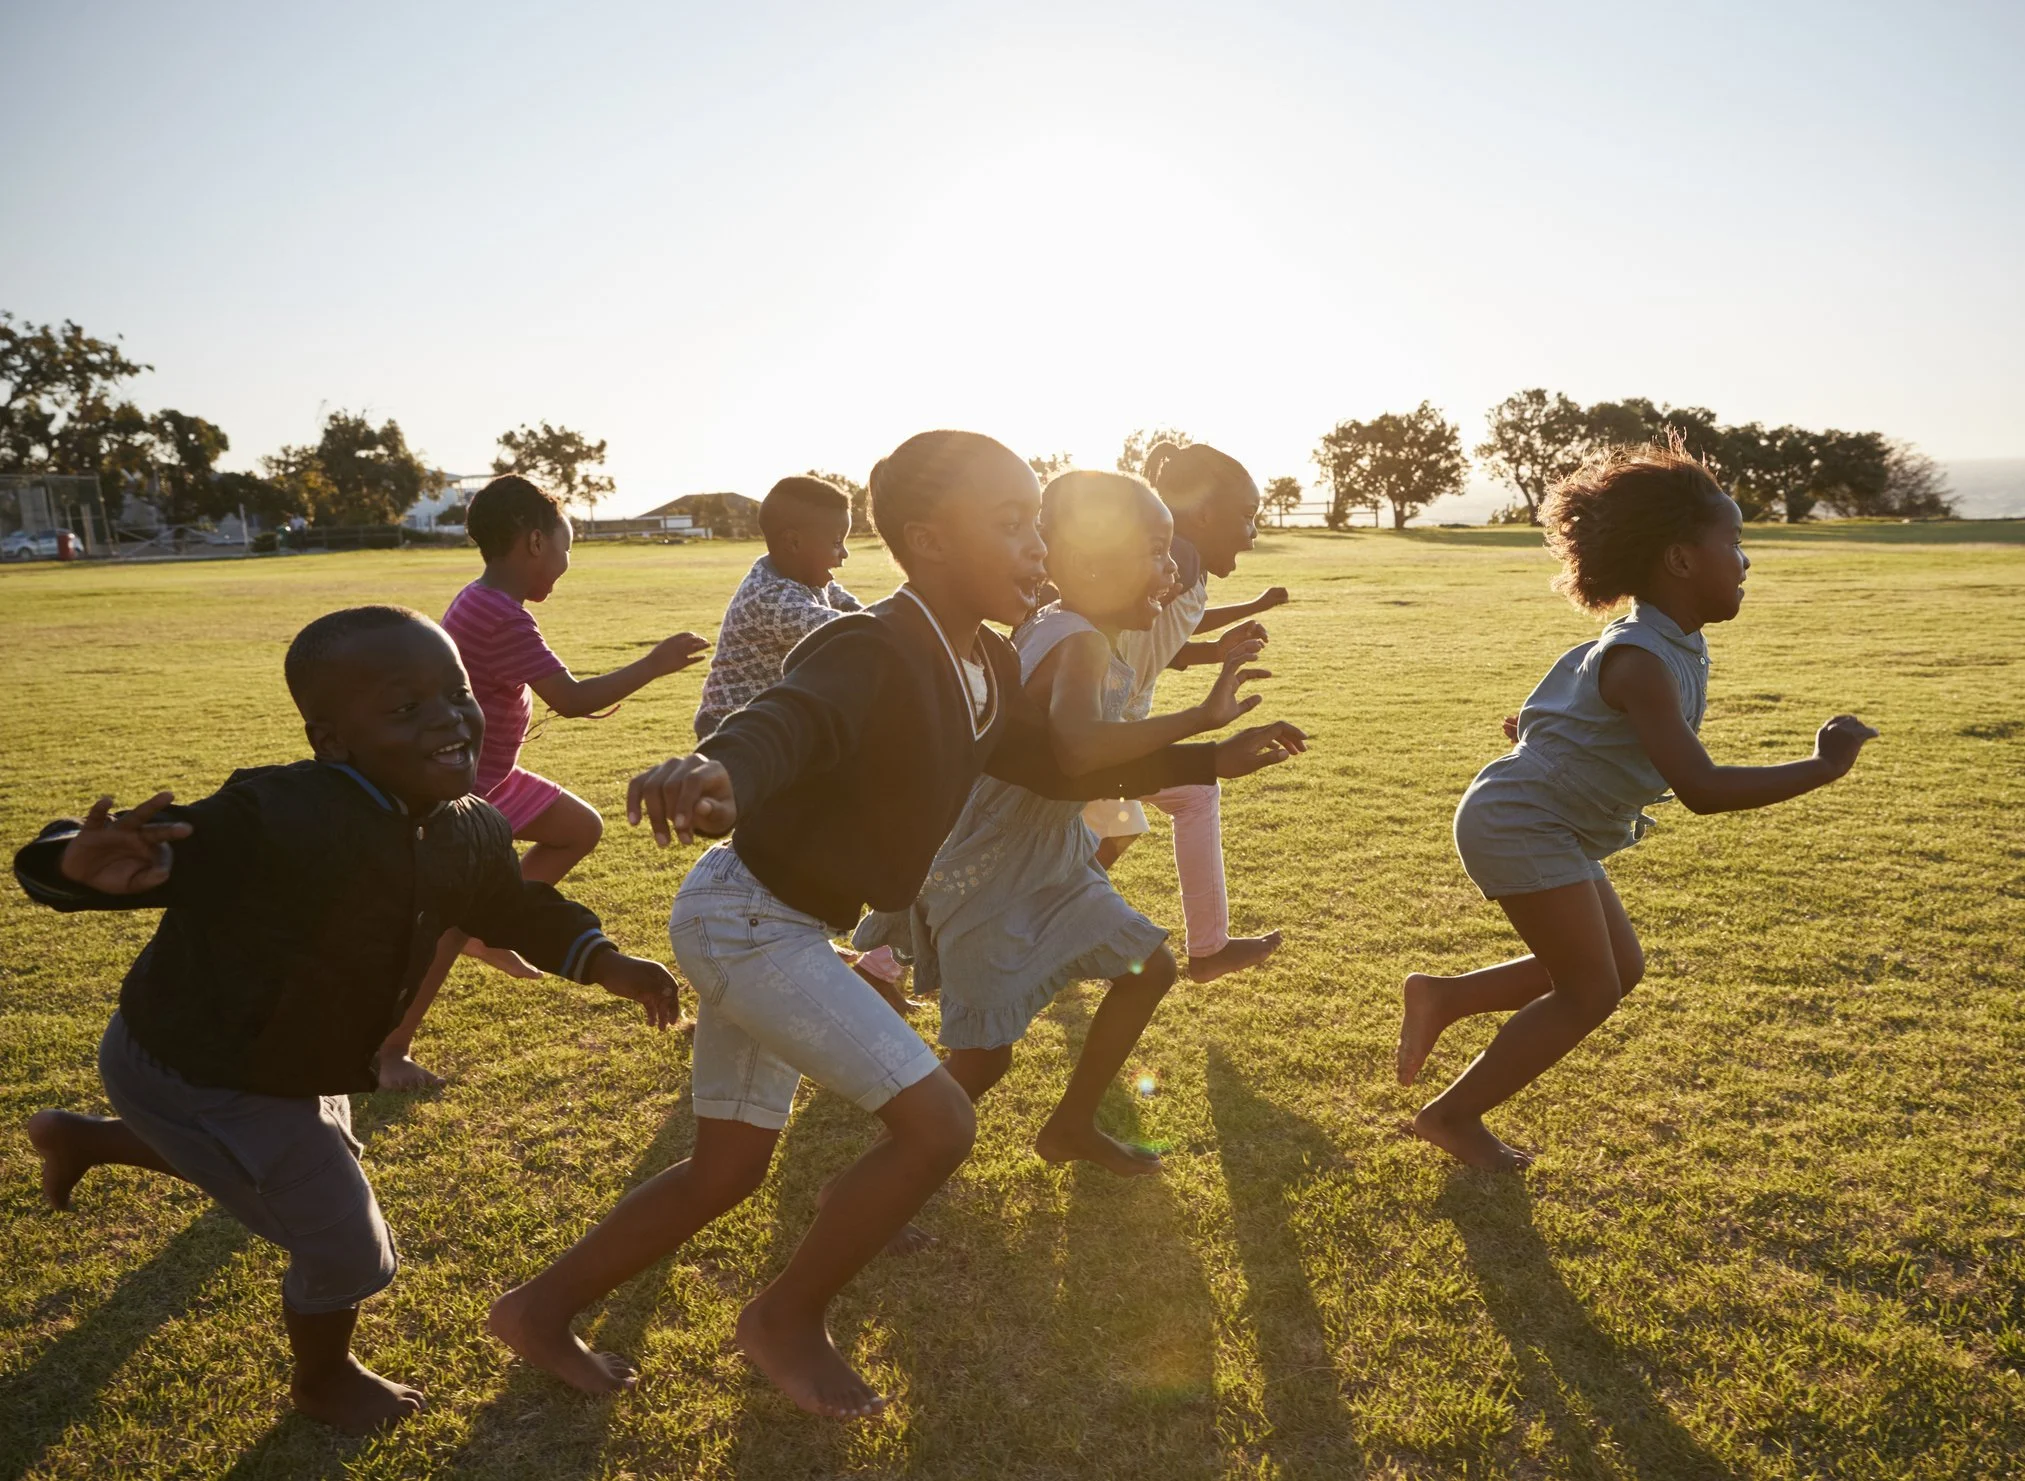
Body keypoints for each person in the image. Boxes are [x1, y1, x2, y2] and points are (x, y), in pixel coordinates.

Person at [486, 430, 1305, 1420]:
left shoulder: (987, 665)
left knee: (726, 1167)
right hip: (750, 918)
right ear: (928, 539)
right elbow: (792, 719)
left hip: (771, 921)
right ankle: (786, 1316)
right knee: (938, 1121)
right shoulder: (873, 641)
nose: (1038, 547)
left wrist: (1216, 760)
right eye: (1011, 526)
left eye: (1038, 526)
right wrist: (722, 772)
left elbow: (1059, 771)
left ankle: (538, 1307)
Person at [18, 606, 682, 1435]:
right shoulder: (277, 811)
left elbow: (514, 906)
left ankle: (83, 1138)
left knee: (287, 1170)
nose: (446, 717)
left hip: (293, 1061)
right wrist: (70, 863)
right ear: (330, 740)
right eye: (405, 708)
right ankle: (322, 1382)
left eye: (456, 692)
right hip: (200, 1063)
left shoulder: (469, 824)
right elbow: (159, 851)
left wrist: (609, 962)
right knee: (341, 1239)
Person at [1396, 441, 1878, 1171]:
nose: (1745, 561)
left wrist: (1541, 733)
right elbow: (1703, 789)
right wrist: (1821, 765)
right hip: (1522, 821)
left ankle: (1442, 996)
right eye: (1734, 543)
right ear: (1680, 560)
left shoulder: (1665, 642)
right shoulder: (1641, 655)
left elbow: (1565, 704)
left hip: (1544, 815)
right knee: (1587, 988)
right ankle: (1451, 1115)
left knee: (1618, 967)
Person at [857, 469, 1295, 1182]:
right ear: (1092, 562)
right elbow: (1078, 749)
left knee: (1148, 967)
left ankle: (1070, 1123)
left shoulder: (1065, 627)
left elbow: (1077, 768)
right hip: (996, 869)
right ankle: (864, 1180)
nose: (1168, 573)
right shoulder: (1080, 641)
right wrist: (1199, 725)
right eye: (1156, 553)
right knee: (983, 1058)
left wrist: (1206, 755)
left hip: (1052, 856)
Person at [376, 475, 709, 1090]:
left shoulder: (485, 601)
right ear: (533, 542)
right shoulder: (501, 616)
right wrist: (655, 663)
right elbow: (575, 700)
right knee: (445, 931)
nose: (563, 565)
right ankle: (392, 1051)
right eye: (563, 550)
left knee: (579, 827)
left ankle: (490, 923)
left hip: (492, 774)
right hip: (467, 790)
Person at [1085, 440, 1291, 982]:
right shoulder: (1184, 554)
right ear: (1203, 513)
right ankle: (1203, 948)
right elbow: (1173, 617)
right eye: (1247, 517)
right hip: (1097, 734)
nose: (1253, 533)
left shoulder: (1181, 566)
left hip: (1111, 729)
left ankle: (1058, 918)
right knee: (1189, 796)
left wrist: (1229, 639)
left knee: (1110, 834)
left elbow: (1170, 641)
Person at [692, 474, 863, 741]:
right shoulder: (772, 598)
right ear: (793, 543)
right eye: (836, 542)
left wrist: (865, 610)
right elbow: (841, 631)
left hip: (769, 715)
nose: (844, 553)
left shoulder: (801, 574)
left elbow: (844, 601)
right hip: (732, 724)